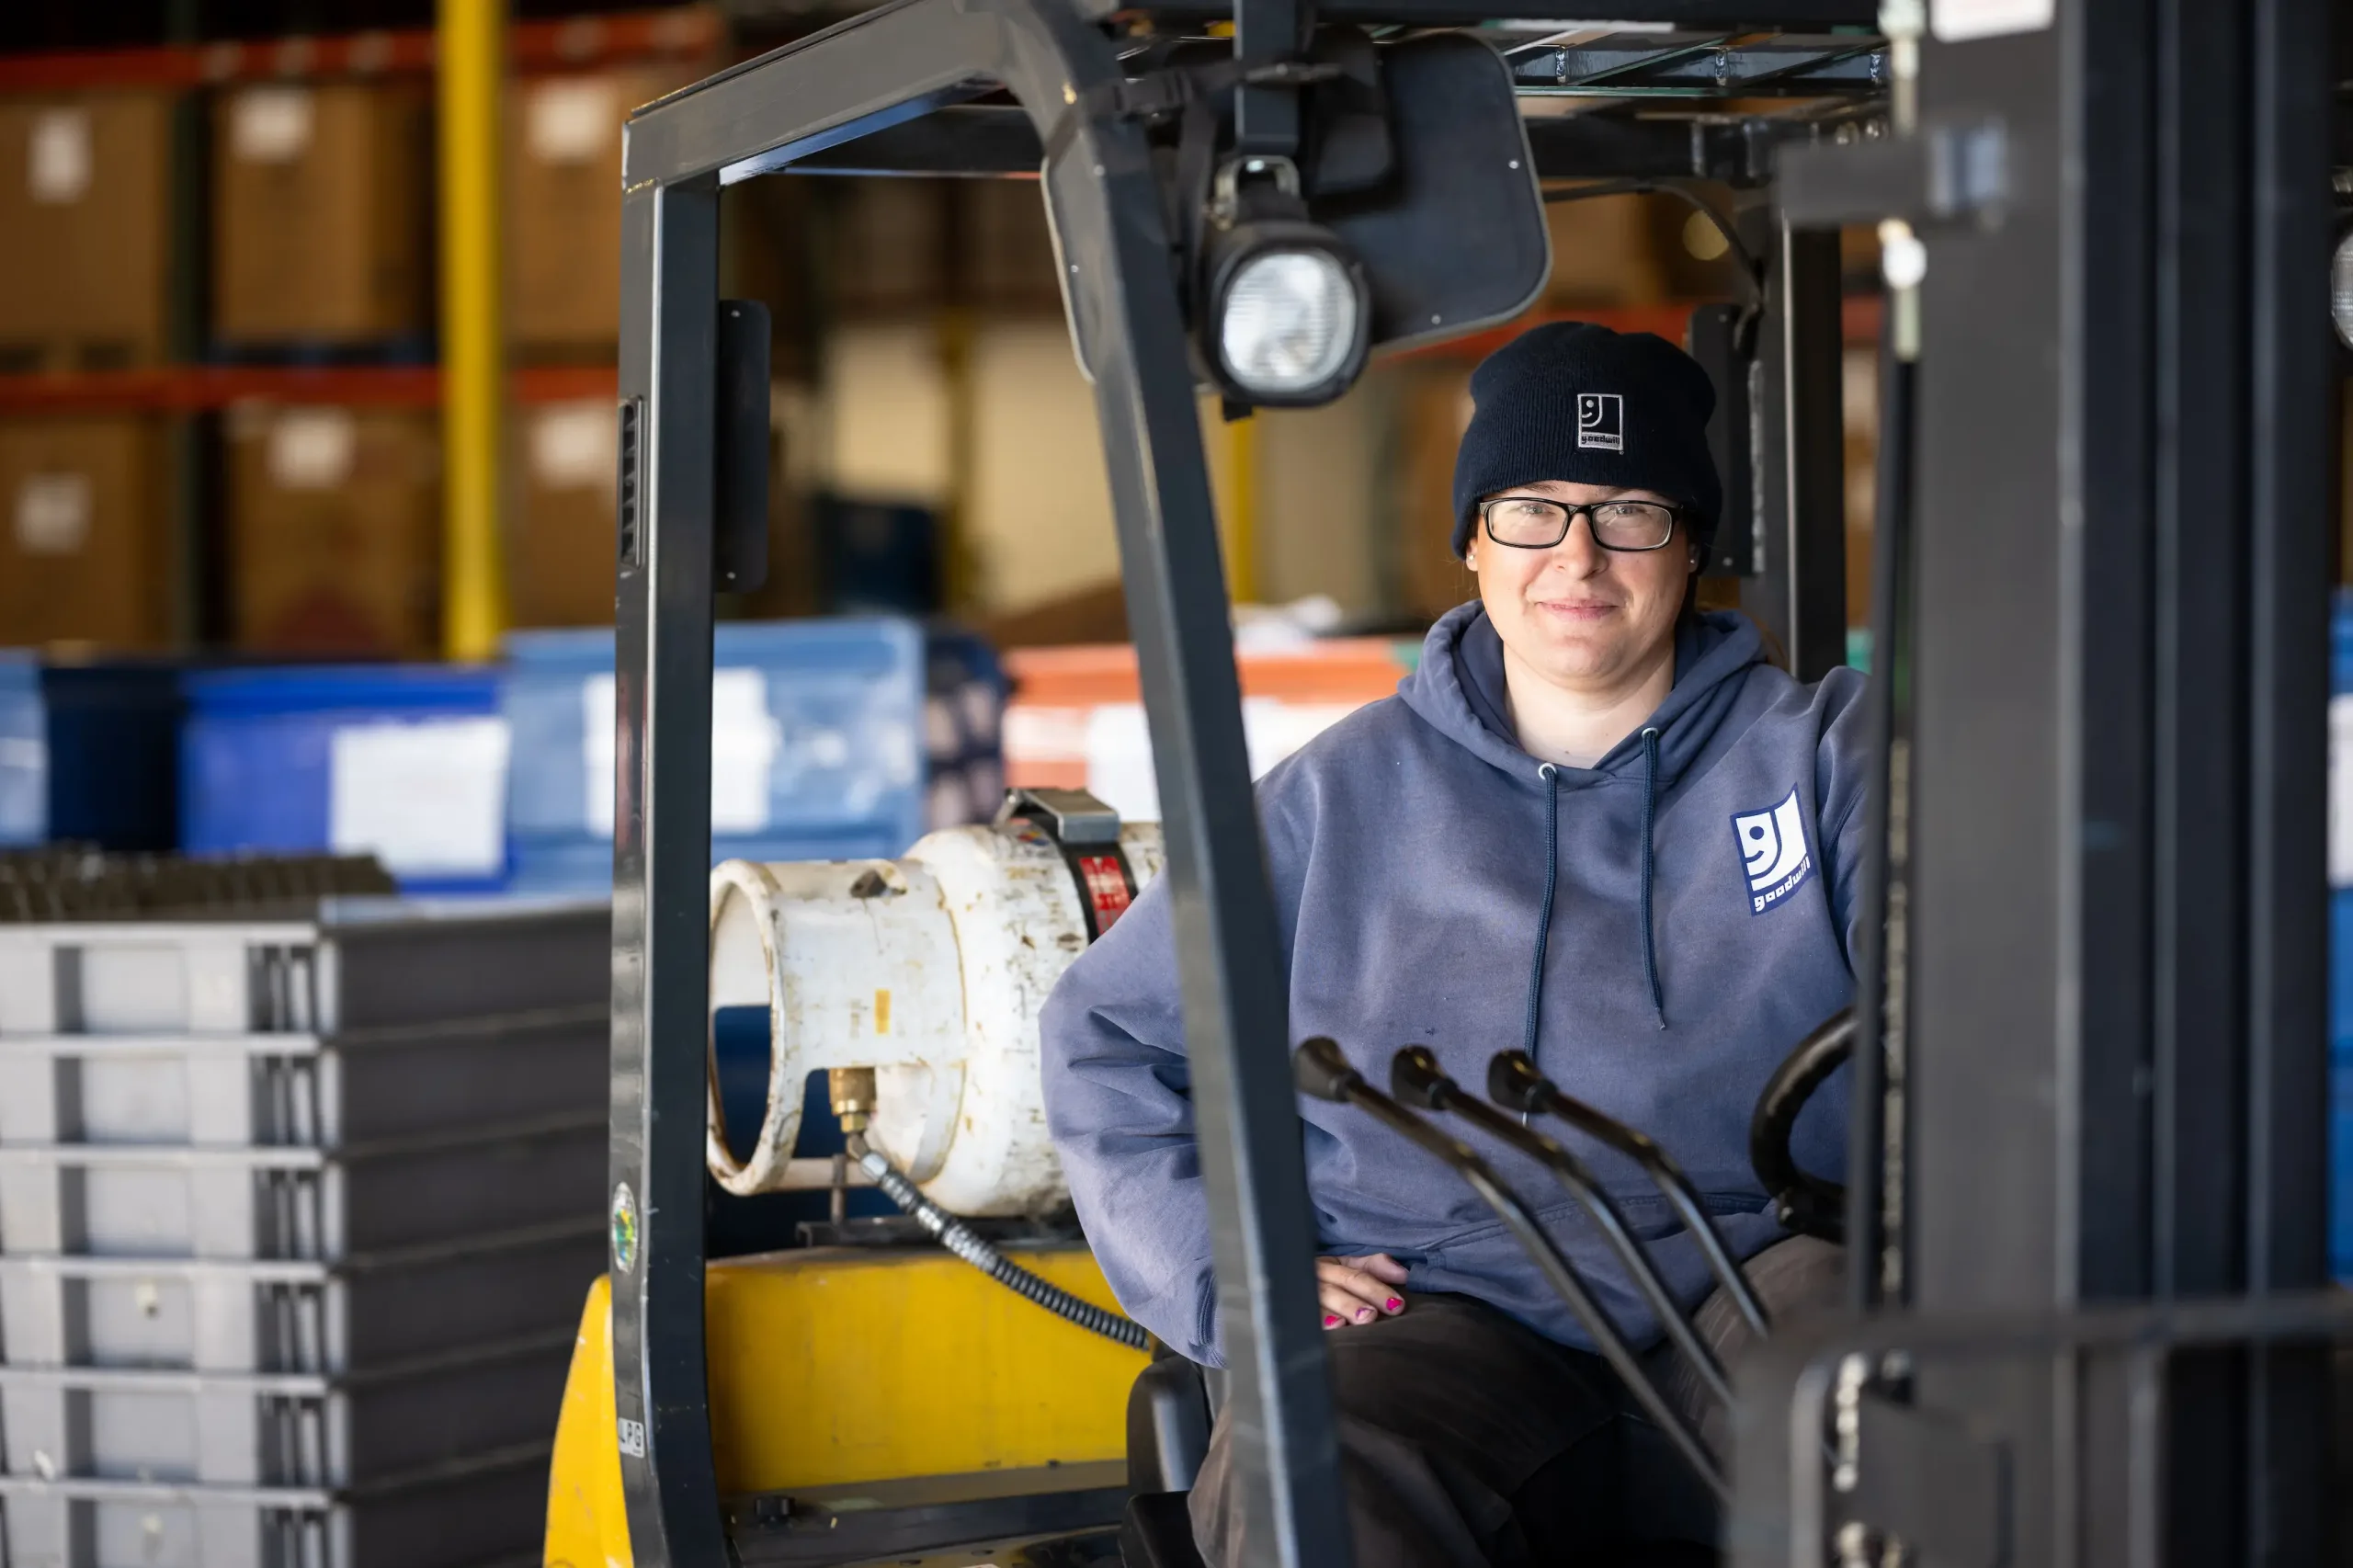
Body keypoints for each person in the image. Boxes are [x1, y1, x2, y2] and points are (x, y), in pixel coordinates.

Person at [1039, 321, 1865, 1566]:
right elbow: (1105, 1033)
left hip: (1753, 1264)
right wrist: (1229, 1273)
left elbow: (1977, 985)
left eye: (1629, 509)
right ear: (1473, 539)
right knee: (1320, 1458)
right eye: (1533, 509)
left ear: (1691, 543)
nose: (1577, 556)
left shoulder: (1820, 757)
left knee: (1889, 1406)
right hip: (1446, 1299)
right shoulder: (1336, 797)